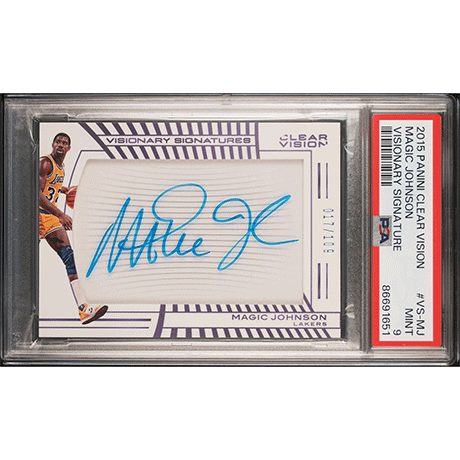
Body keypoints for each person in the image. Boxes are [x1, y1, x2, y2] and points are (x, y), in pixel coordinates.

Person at [39, 132, 108, 324]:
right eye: (58, 142)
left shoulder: (60, 167)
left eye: (64, 143)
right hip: (38, 214)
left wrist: (64, 190)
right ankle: (84, 308)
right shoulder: (45, 163)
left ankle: (84, 308)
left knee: (70, 257)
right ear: (53, 144)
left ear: (69, 148)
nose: (60, 145)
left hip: (47, 217)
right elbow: (36, 193)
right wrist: (60, 214)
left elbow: (51, 184)